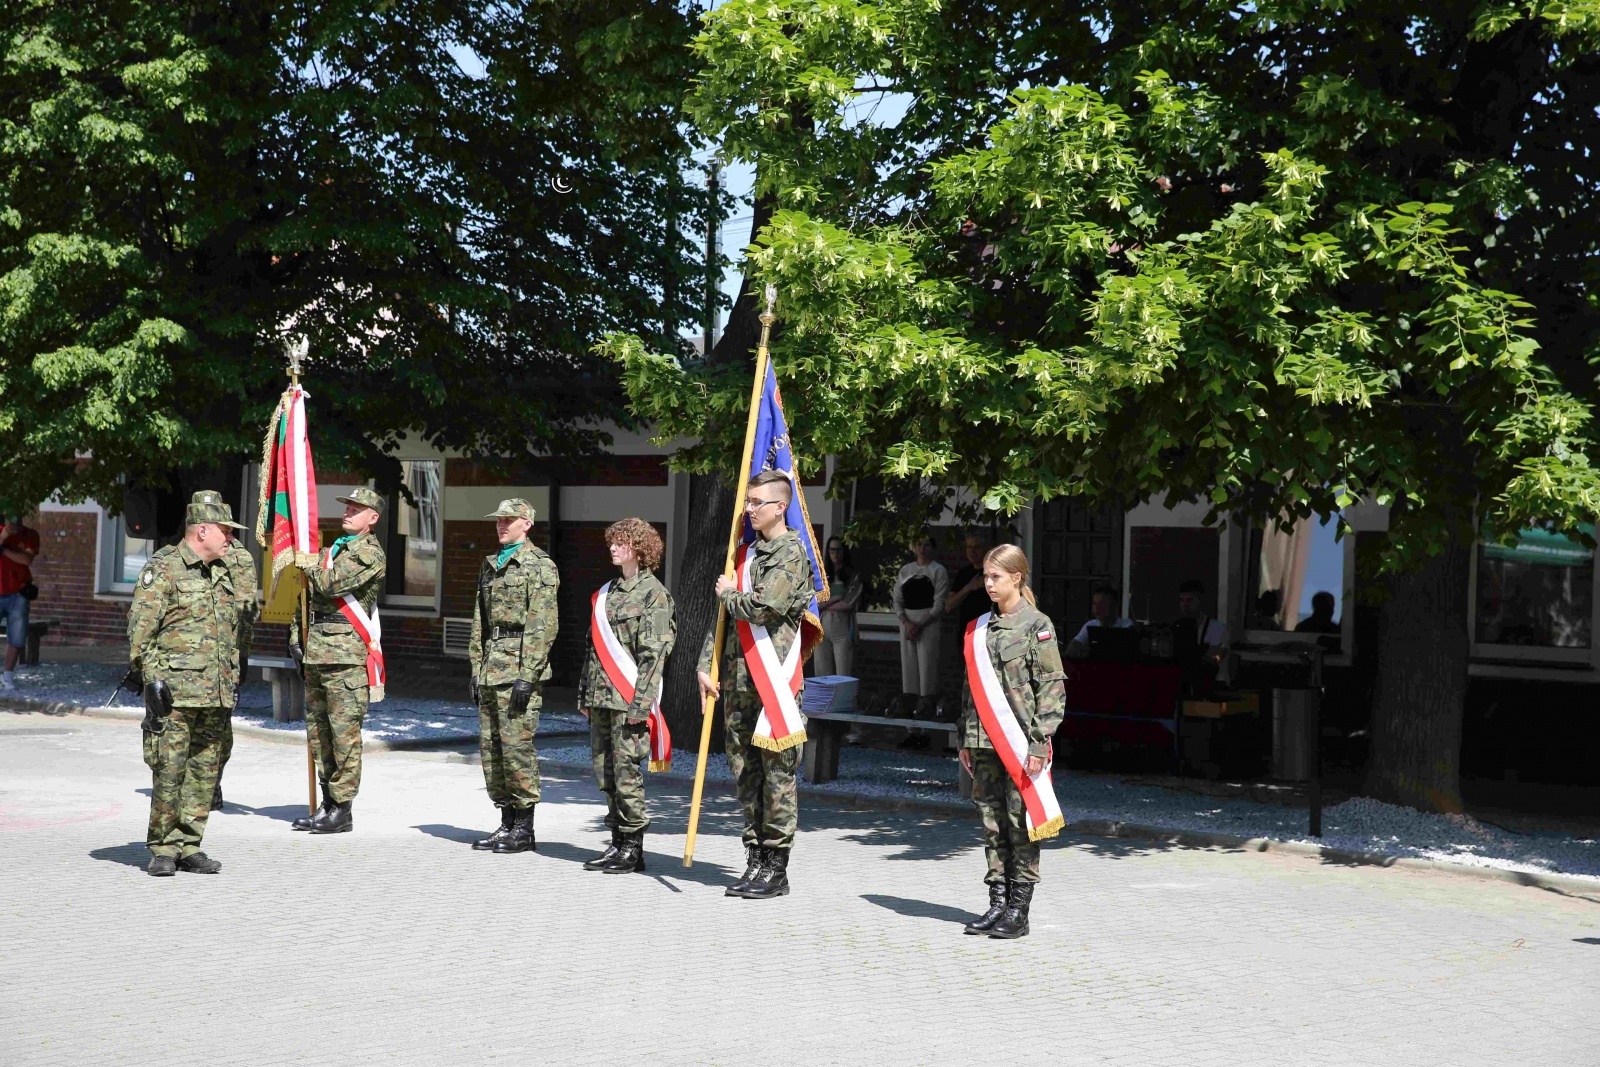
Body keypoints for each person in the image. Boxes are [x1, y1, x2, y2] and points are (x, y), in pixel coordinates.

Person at [698, 470, 814, 900]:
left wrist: (729, 593)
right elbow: (724, 621)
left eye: (756, 502)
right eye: (747, 502)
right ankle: (755, 858)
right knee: (745, 773)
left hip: (773, 684)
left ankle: (776, 867)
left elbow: (763, 607)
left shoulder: (791, 553)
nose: (748, 509)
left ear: (780, 507)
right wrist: (705, 664)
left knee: (777, 776)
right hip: (738, 681)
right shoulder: (744, 555)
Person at [126, 492, 249, 876]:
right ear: (203, 530)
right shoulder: (164, 568)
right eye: (226, 531)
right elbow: (141, 631)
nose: (231, 538)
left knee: (204, 772)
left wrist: (232, 678)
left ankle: (190, 844)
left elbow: (233, 632)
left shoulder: (223, 571)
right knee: (169, 770)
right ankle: (164, 848)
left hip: (215, 693)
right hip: (175, 694)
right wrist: (152, 680)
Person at [957, 544, 1066, 939]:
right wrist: (964, 736)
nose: (988, 583)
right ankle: (997, 903)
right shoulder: (978, 629)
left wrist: (1039, 743)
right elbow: (969, 688)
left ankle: (1019, 910)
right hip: (982, 740)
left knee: (1021, 824)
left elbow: (1051, 688)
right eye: (986, 576)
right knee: (992, 822)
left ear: (1016, 578)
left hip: (1019, 743)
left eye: (996, 576)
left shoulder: (1037, 624)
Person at [288, 486, 387, 835]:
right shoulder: (331, 551)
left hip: (346, 657)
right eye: (347, 507)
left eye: (356, 509)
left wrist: (309, 561)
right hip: (317, 651)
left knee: (344, 735)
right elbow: (305, 600)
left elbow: (330, 585)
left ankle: (342, 809)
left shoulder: (371, 554)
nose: (347, 512)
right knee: (319, 733)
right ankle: (327, 803)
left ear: (372, 518)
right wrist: (295, 638)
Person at [577, 517, 674, 873]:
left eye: (621, 542)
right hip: (602, 697)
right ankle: (616, 841)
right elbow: (592, 649)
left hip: (629, 699)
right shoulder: (608, 592)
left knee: (626, 772)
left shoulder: (654, 595)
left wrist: (641, 705)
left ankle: (633, 847)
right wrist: (585, 694)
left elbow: (655, 656)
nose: (613, 547)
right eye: (612, 542)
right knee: (605, 772)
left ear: (640, 548)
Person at [468, 498, 560, 855]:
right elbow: (480, 620)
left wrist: (528, 675)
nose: (502, 525)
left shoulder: (539, 565)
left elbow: (543, 624)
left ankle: (524, 828)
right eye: (499, 520)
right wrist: (476, 667)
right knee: (492, 750)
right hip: (491, 666)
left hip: (519, 668)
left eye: (509, 520)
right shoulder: (491, 564)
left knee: (517, 749)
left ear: (527, 523)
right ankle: (506, 822)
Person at [212, 498, 259, 811]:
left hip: (226, 656)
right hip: (185, 658)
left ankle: (211, 783)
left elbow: (247, 610)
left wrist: (241, 656)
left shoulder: (239, 557)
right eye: (223, 529)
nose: (228, 536)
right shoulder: (177, 558)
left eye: (230, 530)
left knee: (219, 725)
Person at [893, 534, 949, 718]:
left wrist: (919, 625)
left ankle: (926, 717)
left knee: (927, 672)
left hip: (928, 625)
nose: (923, 548)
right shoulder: (905, 571)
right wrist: (907, 623)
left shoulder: (938, 571)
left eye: (927, 545)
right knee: (909, 672)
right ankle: (909, 719)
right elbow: (897, 600)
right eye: (919, 544)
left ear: (932, 548)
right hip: (907, 625)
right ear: (914, 547)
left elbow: (939, 604)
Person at [0, 514, 40, 690]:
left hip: (19, 593)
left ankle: (7, 675)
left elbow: (26, 559)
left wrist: (3, 550)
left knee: (17, 635)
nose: (13, 520)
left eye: (17, 515)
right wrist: (2, 538)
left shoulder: (30, 535)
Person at [813, 536, 861, 676]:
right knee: (822, 672)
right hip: (822, 623)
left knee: (843, 672)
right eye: (832, 550)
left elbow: (848, 603)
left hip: (842, 625)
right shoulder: (821, 575)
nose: (835, 554)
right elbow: (814, 601)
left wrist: (826, 604)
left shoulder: (852, 575)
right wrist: (835, 598)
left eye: (838, 550)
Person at [1174, 578, 1229, 691]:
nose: (1184, 605)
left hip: (1213, 686)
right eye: (1181, 600)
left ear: (1199, 601)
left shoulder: (1216, 628)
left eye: (1189, 600)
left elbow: (1214, 659)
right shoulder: (1177, 627)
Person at [1065, 584, 1134, 658]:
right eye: (1094, 603)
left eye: (1101, 604)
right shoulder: (1090, 625)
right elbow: (1073, 647)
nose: (1096, 607)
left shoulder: (1126, 625)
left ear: (1113, 605)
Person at [945, 531, 992, 629]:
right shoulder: (963, 573)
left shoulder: (993, 572)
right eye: (969, 547)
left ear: (985, 549)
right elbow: (948, 605)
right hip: (966, 630)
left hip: (988, 630)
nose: (972, 551)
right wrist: (968, 588)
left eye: (976, 547)